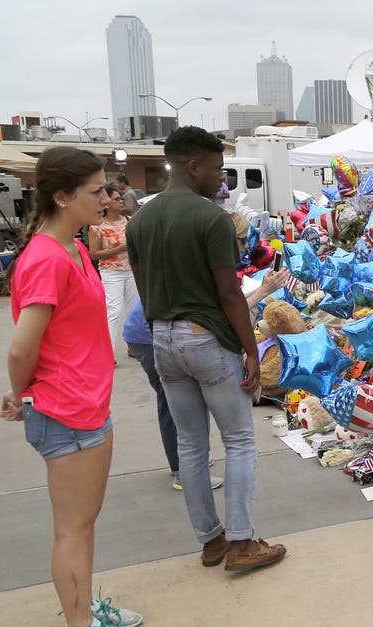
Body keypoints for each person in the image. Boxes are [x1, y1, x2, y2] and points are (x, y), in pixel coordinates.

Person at [0, 147, 146, 627]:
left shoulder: (76, 251)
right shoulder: (42, 259)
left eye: (107, 189)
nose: (108, 199)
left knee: (85, 522)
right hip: (64, 408)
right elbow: (22, 345)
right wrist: (22, 393)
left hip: (87, 402)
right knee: (72, 527)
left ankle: (85, 607)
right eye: (97, 191)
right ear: (62, 197)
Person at [126, 126, 286, 573]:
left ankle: (211, 542)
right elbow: (229, 295)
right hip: (206, 339)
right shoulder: (211, 219)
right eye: (217, 169)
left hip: (162, 338)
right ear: (192, 166)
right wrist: (251, 351)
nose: (221, 180)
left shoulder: (139, 221)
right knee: (238, 440)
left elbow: (144, 288)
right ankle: (241, 543)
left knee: (191, 445)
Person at [123, 267, 290, 491]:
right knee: (173, 405)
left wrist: (262, 289)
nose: (239, 248)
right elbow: (226, 313)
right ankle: (183, 469)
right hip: (152, 335)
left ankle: (190, 463)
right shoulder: (206, 263)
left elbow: (229, 305)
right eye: (239, 241)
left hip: (156, 332)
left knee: (181, 405)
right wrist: (263, 291)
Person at [88, 184, 138, 360]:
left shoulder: (128, 221)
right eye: (116, 198)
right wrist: (120, 248)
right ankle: (108, 352)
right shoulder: (97, 227)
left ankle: (134, 346)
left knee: (133, 310)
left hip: (131, 270)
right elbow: (94, 254)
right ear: (107, 203)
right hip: (111, 272)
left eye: (120, 198)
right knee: (114, 310)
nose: (121, 201)